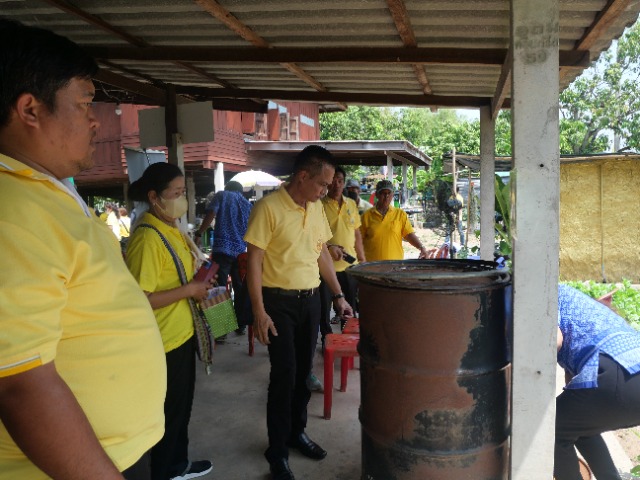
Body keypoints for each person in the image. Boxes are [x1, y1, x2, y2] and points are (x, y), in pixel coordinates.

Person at [0, 19, 166, 480]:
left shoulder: (45, 192)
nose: (95, 121)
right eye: (85, 103)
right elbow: (18, 383)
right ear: (30, 110)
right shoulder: (12, 210)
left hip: (108, 453)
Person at [244, 145, 353, 480]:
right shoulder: (268, 208)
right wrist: (259, 311)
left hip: (311, 300)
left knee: (304, 373)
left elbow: (321, 253)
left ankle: (296, 433)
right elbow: (254, 261)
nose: (326, 191)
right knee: (285, 375)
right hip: (278, 303)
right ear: (303, 176)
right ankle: (277, 451)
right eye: (322, 184)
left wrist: (338, 295)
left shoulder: (316, 208)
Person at [125, 163, 214, 480]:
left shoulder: (171, 228)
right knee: (169, 412)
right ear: (154, 197)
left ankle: (178, 464)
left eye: (182, 192)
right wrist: (189, 290)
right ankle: (164, 472)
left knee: (181, 406)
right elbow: (140, 299)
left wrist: (197, 285)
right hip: (163, 341)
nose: (181, 200)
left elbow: (176, 277)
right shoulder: (147, 238)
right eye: (175, 193)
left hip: (182, 333)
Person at [555, 284, 640, 480]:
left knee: (550, 428)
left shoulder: (546, 293)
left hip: (618, 371)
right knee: (579, 424)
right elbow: (575, 392)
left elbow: (555, 340)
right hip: (629, 371)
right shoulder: (590, 311)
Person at [194, 180, 252, 335]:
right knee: (239, 288)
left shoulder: (222, 196)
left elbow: (211, 213)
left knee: (219, 288)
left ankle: (222, 330)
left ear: (227, 188)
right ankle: (241, 325)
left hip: (222, 250)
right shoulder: (247, 204)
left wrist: (199, 232)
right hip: (240, 252)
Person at [360, 179, 429, 261]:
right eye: (383, 193)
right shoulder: (366, 216)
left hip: (395, 265)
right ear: (377, 195)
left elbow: (409, 235)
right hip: (372, 265)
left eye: (389, 193)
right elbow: (358, 240)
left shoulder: (400, 214)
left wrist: (421, 247)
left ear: (392, 195)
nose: (386, 196)